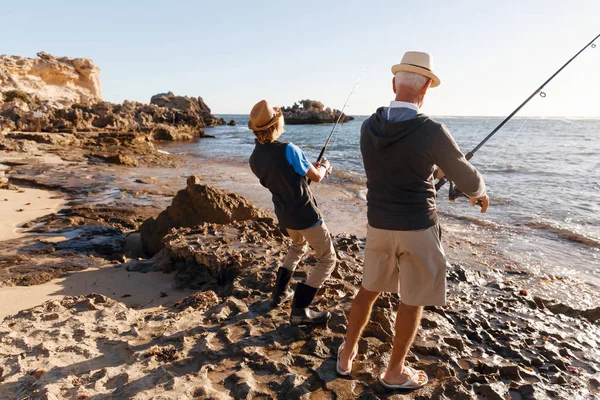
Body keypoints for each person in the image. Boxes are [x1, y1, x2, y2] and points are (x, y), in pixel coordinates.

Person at [336, 52, 489, 390]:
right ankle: (394, 372)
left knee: (368, 290)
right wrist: (478, 191)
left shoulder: (367, 127)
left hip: (378, 225)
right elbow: (469, 180)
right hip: (418, 228)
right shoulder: (432, 130)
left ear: (394, 84)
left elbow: (394, 165)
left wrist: (434, 169)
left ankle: (347, 353)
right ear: (426, 90)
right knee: (412, 299)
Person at [248, 100, 336, 325]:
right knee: (327, 259)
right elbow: (316, 177)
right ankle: (300, 310)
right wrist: (324, 167)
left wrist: (308, 167)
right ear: (276, 125)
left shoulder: (254, 158)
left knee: (297, 247)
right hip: (305, 214)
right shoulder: (289, 149)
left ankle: (279, 294)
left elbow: (283, 179)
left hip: (285, 215)